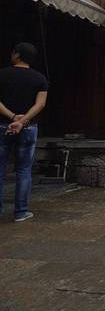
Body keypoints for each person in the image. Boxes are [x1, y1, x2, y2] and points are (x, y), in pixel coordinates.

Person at [0, 43, 48, 222]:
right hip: (28, 128)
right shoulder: (40, 78)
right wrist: (22, 121)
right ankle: (21, 212)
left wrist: (13, 117)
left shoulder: (2, 74)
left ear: (17, 55)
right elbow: (40, 104)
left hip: (2, 125)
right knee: (24, 170)